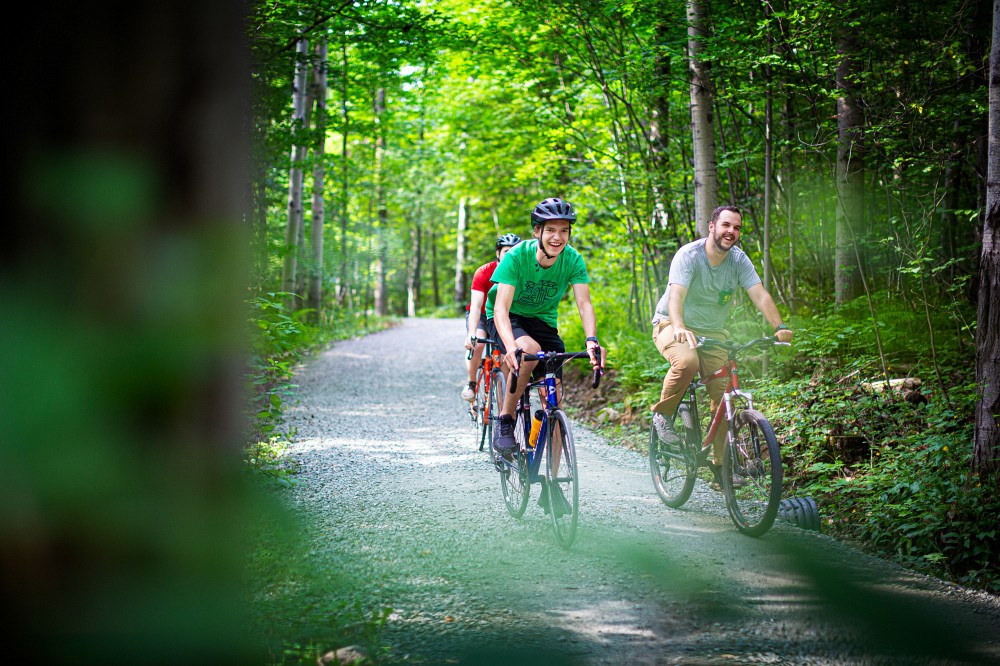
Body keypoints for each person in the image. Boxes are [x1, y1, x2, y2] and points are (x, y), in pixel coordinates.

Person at [651, 205, 793, 485]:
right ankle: (663, 415)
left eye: (736, 227)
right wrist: (679, 327)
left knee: (724, 395)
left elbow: (759, 294)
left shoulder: (738, 260)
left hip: (713, 333)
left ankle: (722, 468)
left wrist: (779, 327)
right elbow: (676, 295)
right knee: (687, 362)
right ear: (712, 226)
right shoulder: (689, 255)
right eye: (726, 225)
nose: (731, 231)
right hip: (671, 324)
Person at [485, 197, 604, 516]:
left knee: (554, 402)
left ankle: (551, 483)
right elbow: (501, 308)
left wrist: (591, 340)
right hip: (508, 318)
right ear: (537, 231)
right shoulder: (517, 257)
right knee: (529, 351)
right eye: (551, 230)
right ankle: (506, 422)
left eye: (564, 231)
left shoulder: (573, 259)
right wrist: (510, 346)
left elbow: (584, 304)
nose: (557, 237)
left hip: (544, 322)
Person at [462, 233, 522, 401]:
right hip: (482, 315)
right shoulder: (484, 272)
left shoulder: (522, 272)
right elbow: (475, 306)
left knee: (506, 357)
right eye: (507, 252)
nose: (511, 256)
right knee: (478, 343)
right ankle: (472, 383)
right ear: (498, 253)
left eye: (514, 252)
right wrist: (471, 333)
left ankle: (505, 405)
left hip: (505, 316)